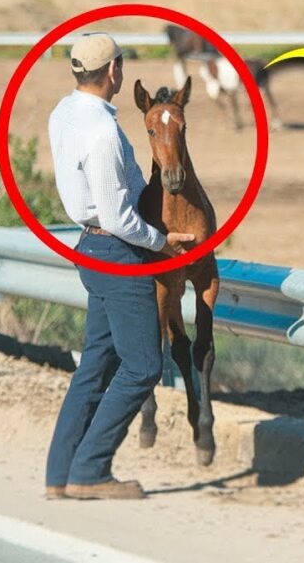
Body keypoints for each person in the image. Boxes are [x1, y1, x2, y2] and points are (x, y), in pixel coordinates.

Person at [44, 32, 193, 500]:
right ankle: (90, 471)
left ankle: (60, 472)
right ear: (113, 72)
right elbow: (117, 217)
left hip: (90, 249)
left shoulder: (63, 113)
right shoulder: (103, 131)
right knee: (144, 366)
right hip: (117, 251)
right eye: (122, 65)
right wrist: (161, 241)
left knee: (96, 363)